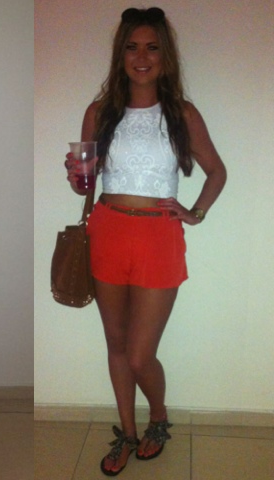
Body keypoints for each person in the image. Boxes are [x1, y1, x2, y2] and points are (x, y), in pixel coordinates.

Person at [65, 7, 226, 477]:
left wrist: (195, 212)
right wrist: (77, 178)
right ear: (121, 54)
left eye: (152, 47)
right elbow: (85, 182)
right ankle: (128, 433)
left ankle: (158, 418)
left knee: (139, 355)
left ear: (165, 56)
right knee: (115, 345)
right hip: (108, 229)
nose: (141, 56)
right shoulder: (99, 112)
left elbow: (217, 171)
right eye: (132, 47)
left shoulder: (182, 114)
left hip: (158, 236)